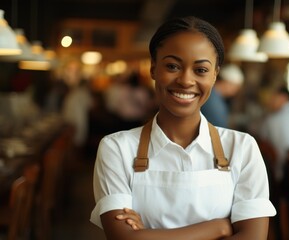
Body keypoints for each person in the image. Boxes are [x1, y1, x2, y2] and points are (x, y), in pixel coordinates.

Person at [90, 16, 276, 240]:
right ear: (153, 68)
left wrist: (148, 235)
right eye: (172, 66)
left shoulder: (242, 148)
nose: (186, 80)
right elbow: (124, 238)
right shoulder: (117, 148)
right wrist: (219, 228)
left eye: (201, 70)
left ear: (215, 75)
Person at [201, 63, 243, 128]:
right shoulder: (214, 101)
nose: (236, 91)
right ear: (228, 83)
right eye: (236, 87)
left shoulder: (213, 95)